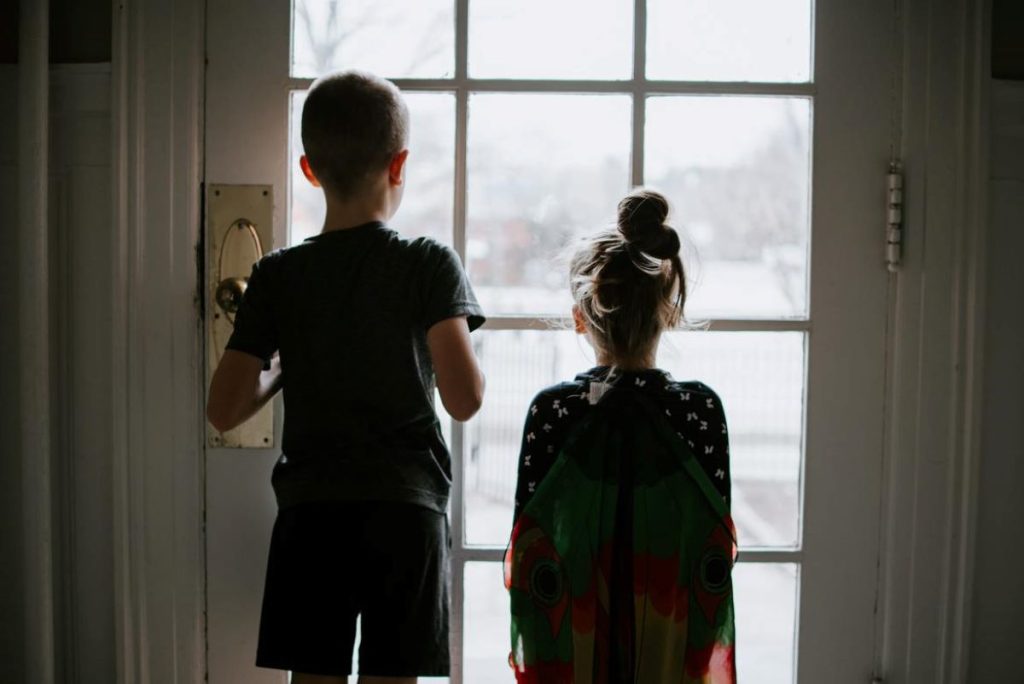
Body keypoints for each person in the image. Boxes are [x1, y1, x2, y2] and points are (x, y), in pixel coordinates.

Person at [206, 70, 486, 684]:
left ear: (309, 169)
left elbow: (224, 409)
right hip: (404, 510)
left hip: (314, 514)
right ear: (400, 164)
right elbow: (464, 399)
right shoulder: (427, 263)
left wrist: (284, 369)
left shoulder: (279, 275)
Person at [506, 189, 736, 682]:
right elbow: (712, 556)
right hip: (669, 650)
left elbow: (529, 551)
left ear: (580, 318)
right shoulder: (699, 411)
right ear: (669, 312)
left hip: (576, 647)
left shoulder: (553, 411)